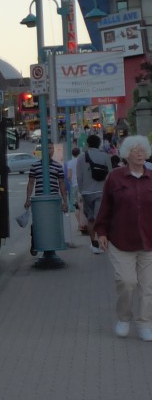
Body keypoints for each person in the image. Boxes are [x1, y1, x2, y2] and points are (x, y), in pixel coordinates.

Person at [93, 136, 152, 341]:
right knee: (127, 283)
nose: (140, 153)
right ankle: (124, 318)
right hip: (121, 241)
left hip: (149, 242)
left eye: (143, 149)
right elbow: (106, 207)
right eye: (135, 150)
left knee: (148, 287)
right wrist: (101, 232)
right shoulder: (115, 178)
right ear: (127, 154)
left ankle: (145, 323)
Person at [23, 155, 68, 256]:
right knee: (38, 222)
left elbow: (61, 183)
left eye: (51, 148)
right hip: (39, 200)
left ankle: (51, 247)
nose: (50, 151)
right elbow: (31, 182)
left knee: (53, 223)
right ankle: (35, 241)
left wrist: (65, 201)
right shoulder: (35, 166)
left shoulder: (58, 166)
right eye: (48, 148)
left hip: (54, 200)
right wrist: (28, 199)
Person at [76, 135, 110, 253]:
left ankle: (94, 244)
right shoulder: (105, 156)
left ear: (88, 144)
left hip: (86, 193)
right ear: (99, 143)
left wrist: (81, 192)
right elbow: (110, 176)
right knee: (100, 218)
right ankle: (102, 242)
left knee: (91, 219)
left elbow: (79, 177)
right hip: (102, 192)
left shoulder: (81, 157)